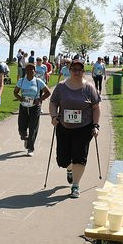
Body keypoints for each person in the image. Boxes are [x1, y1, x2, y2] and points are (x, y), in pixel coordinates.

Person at [48, 56, 101, 198]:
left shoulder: (89, 87)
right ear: (69, 70)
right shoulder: (61, 87)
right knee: (63, 160)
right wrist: (53, 117)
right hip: (63, 127)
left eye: (79, 69)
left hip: (84, 128)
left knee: (80, 156)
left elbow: (95, 107)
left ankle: (75, 185)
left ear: (83, 71)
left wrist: (96, 125)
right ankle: (69, 169)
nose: (77, 72)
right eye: (74, 69)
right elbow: (53, 103)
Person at [14, 62, 51, 156]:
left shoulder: (38, 81)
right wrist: (20, 98)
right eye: (28, 69)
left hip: (35, 107)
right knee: (21, 127)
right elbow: (15, 92)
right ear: (25, 71)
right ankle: (25, 137)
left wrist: (39, 100)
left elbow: (48, 92)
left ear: (35, 71)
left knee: (33, 127)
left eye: (32, 69)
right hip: (23, 106)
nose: (30, 71)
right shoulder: (22, 81)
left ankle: (30, 148)